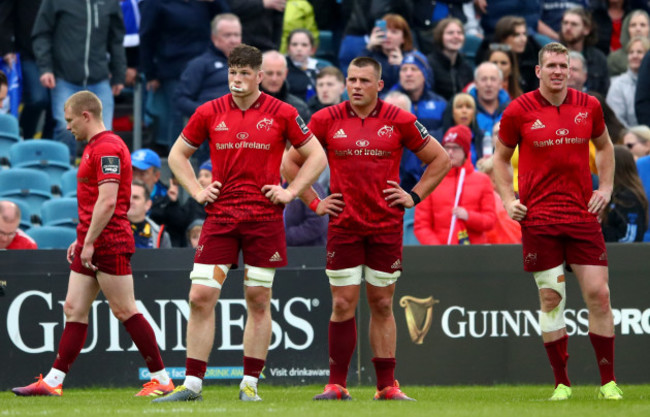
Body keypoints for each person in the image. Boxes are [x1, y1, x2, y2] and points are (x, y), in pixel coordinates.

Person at [152, 44, 327, 403]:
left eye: (245, 73)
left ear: (259, 76)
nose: (237, 79)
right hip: (221, 217)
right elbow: (176, 155)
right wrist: (198, 191)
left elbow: (317, 156)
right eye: (233, 72)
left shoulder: (283, 112)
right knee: (200, 296)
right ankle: (192, 385)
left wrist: (291, 191)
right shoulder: (209, 111)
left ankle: (249, 384)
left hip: (264, 219)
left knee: (258, 298)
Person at [282, 56, 451, 401]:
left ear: (379, 85)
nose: (356, 86)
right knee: (343, 303)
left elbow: (441, 159)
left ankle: (387, 386)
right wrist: (315, 202)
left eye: (363, 80)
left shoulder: (400, 119)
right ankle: (336, 385)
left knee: (383, 304)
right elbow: (289, 162)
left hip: (385, 227)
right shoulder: (326, 118)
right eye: (351, 79)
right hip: (344, 226)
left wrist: (414, 195)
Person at [11, 91, 173, 397]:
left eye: (70, 120)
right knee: (73, 308)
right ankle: (54, 382)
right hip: (92, 238)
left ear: (87, 115)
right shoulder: (94, 147)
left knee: (125, 310)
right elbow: (93, 202)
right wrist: (81, 237)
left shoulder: (108, 147)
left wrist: (90, 240)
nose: (67, 126)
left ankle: (162, 379)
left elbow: (108, 201)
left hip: (108, 240)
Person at [493, 42, 622, 401]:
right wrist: (508, 199)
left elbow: (607, 147)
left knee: (599, 294)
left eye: (563, 66)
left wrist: (607, 188)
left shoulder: (589, 106)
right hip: (539, 218)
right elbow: (500, 159)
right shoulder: (519, 110)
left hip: (582, 215)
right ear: (538, 71)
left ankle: (608, 382)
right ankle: (562, 383)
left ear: (571, 70)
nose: (558, 72)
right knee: (551, 299)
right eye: (551, 65)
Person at [31, 0, 126, 159]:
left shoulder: (110, 3)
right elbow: (42, 34)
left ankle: (98, 180)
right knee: (65, 128)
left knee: (104, 135)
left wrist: (119, 75)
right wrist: (46, 68)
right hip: (65, 78)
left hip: (99, 80)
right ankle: (62, 174)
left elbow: (116, 40)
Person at [414, 125, 496, 245]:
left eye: (456, 148)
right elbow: (421, 225)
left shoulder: (483, 180)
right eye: (447, 147)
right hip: (441, 255)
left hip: (474, 254)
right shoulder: (430, 180)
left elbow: (490, 221)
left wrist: (469, 216)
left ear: (466, 151)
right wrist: (439, 251)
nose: (450, 152)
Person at [175, 13, 242, 119]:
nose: (233, 40)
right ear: (214, 38)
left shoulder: (250, 65)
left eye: (236, 35)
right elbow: (181, 100)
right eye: (227, 35)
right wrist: (208, 113)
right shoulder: (200, 64)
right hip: (213, 126)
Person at [601, 145, 648, 242]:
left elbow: (630, 237)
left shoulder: (628, 197)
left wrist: (600, 231)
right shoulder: (613, 193)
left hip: (622, 255)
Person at [560, 7, 610, 95]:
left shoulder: (598, 59)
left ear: (586, 30)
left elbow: (604, 94)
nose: (568, 28)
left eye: (574, 24)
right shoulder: (551, 55)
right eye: (565, 23)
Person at [362, 14, 415, 91]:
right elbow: (356, 76)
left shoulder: (412, 57)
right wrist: (369, 47)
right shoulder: (369, 54)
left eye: (394, 32)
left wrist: (403, 66)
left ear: (404, 38)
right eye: (385, 31)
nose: (388, 35)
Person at [426, 17, 474, 101]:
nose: (456, 36)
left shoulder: (466, 67)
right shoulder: (429, 64)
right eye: (450, 33)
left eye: (459, 33)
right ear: (440, 36)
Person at [606, 36, 650, 127]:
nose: (634, 56)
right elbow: (616, 119)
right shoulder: (618, 84)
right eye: (631, 52)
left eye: (640, 52)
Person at [260, 50, 311, 122]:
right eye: (269, 73)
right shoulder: (245, 105)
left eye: (279, 74)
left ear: (286, 74)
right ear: (259, 74)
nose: (274, 79)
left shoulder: (299, 109)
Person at [128, 180, 172, 249]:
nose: (130, 201)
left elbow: (167, 259)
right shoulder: (110, 229)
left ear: (148, 204)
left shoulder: (161, 235)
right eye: (127, 196)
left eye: (135, 197)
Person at [285, 28, 327, 101]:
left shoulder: (322, 67)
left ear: (312, 50)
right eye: (294, 44)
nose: (299, 48)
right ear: (288, 48)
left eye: (304, 45)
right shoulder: (282, 67)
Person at [607, 9, 650, 76]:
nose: (638, 29)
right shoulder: (614, 59)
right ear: (626, 29)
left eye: (642, 25)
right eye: (633, 25)